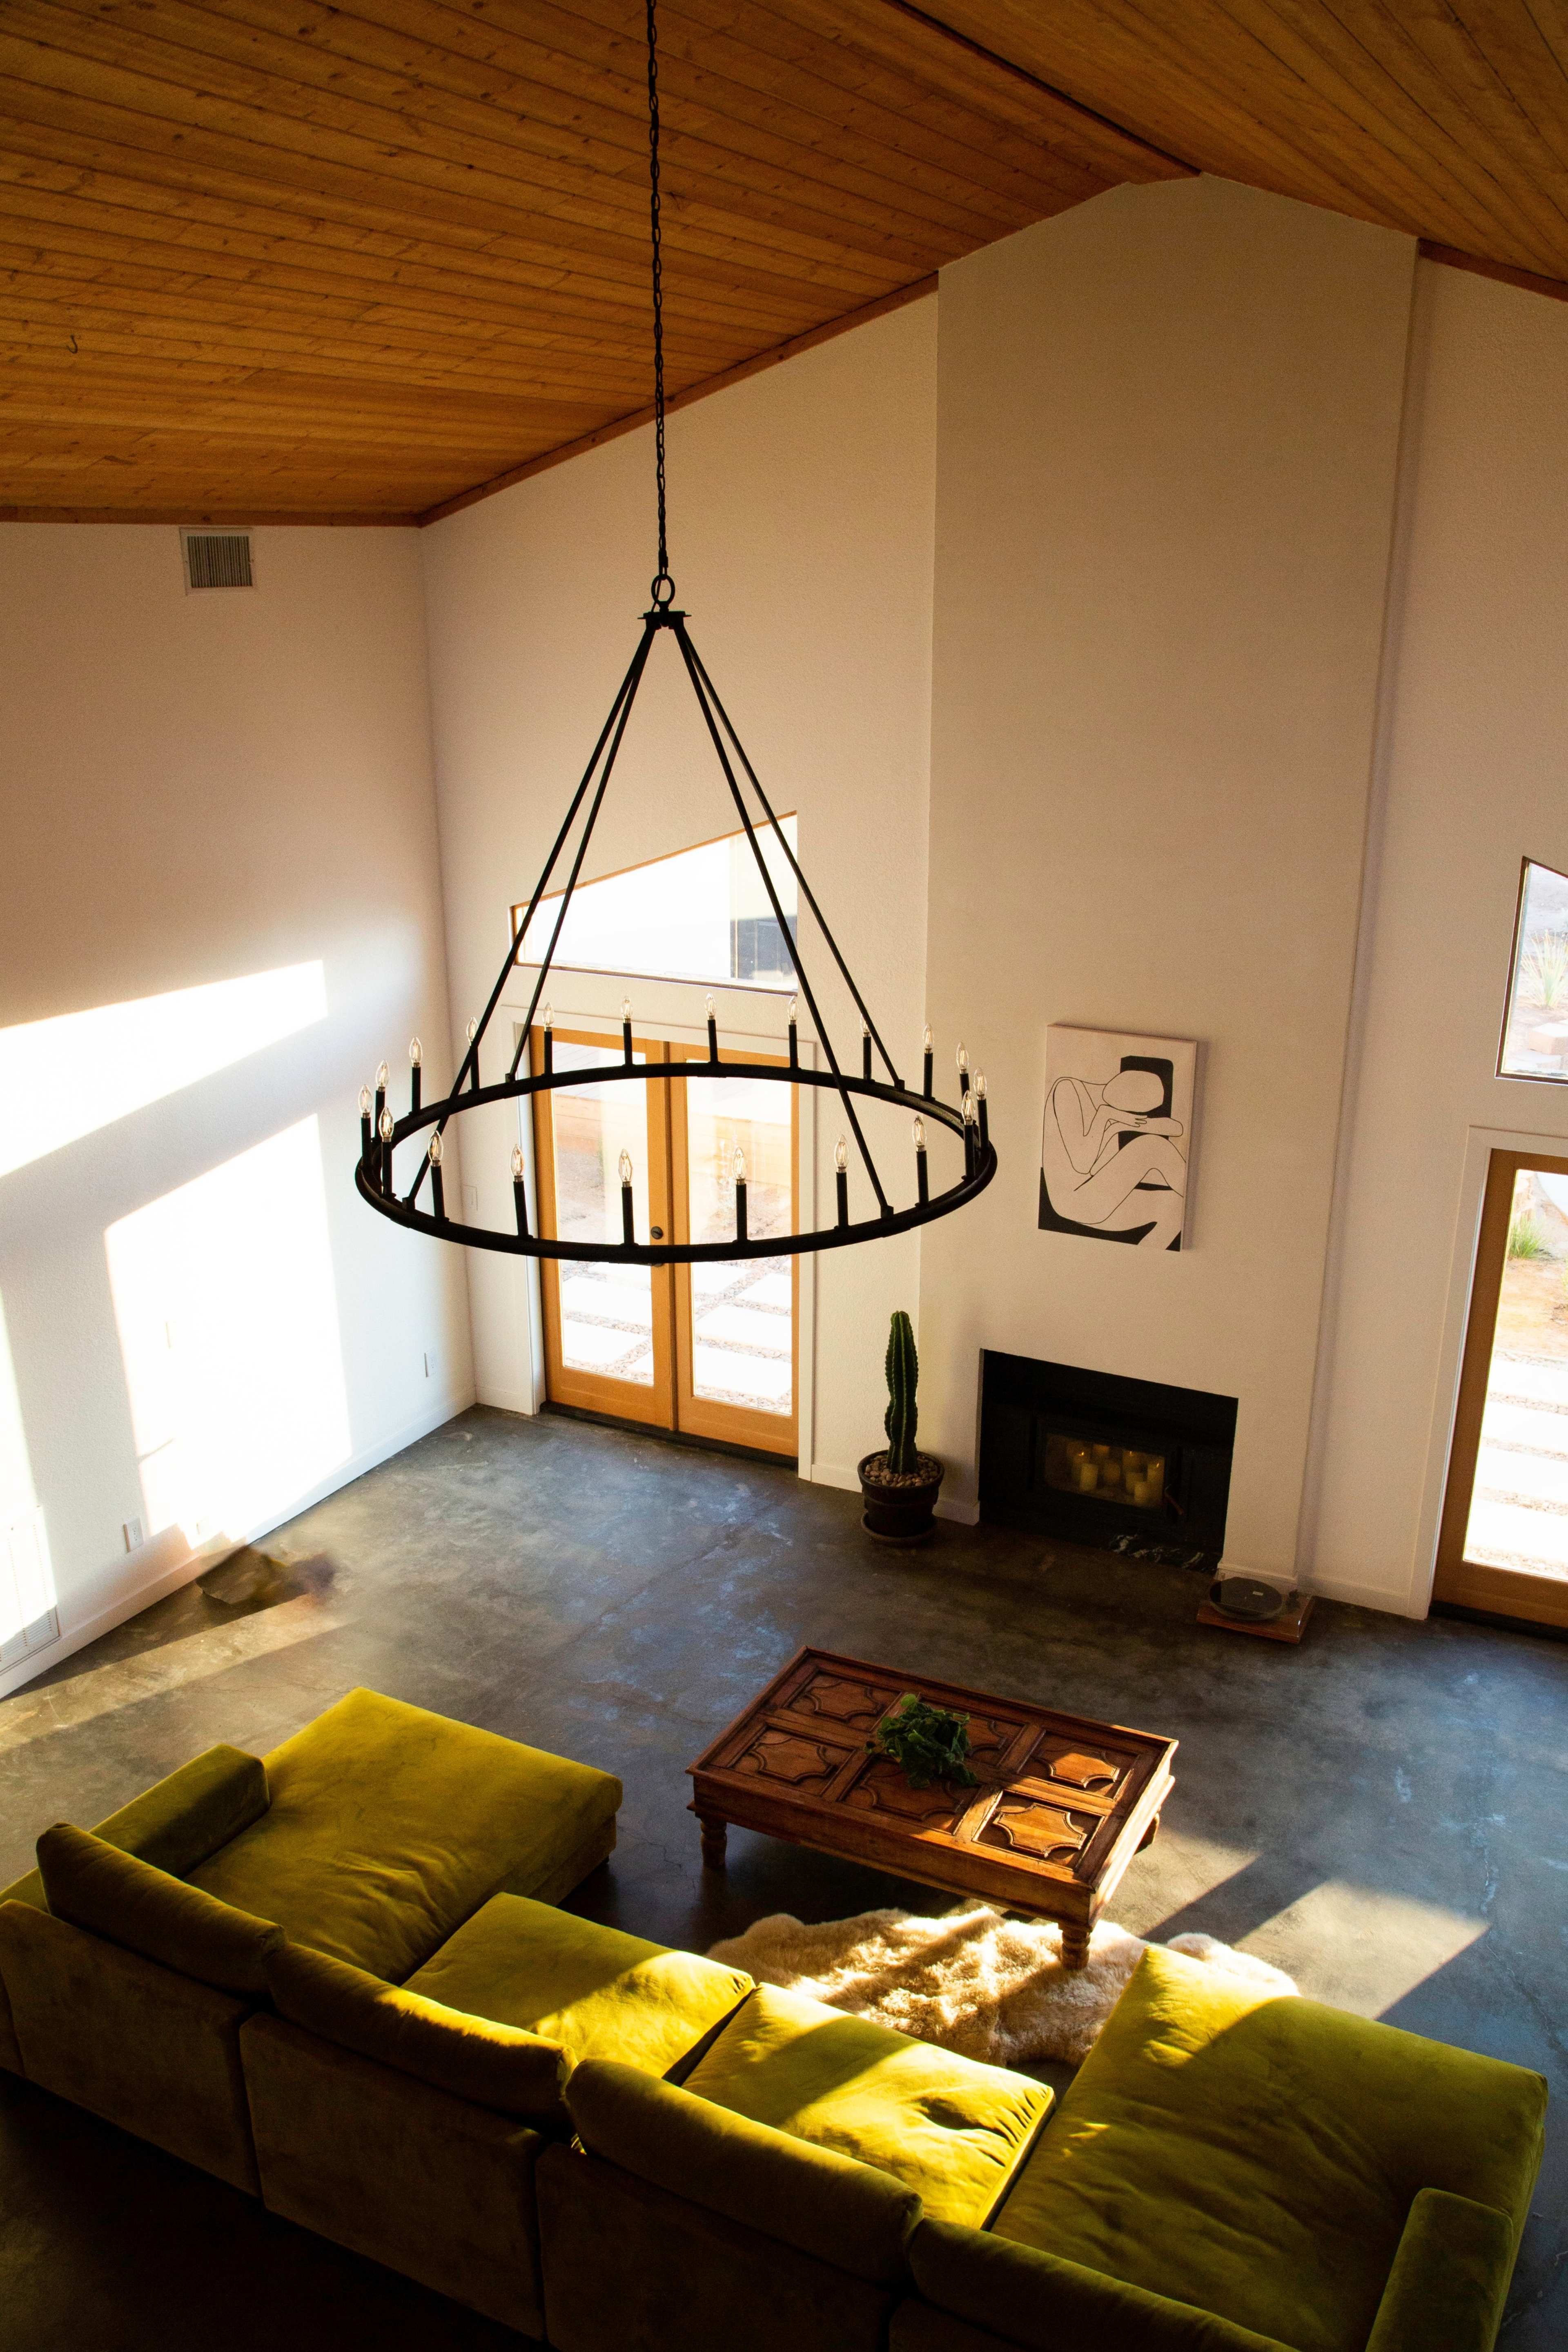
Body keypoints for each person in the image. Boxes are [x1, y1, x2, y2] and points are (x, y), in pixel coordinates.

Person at [1042, 1066, 1186, 1246]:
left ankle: (1140, 1268)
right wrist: (1107, 1116)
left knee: (1175, 1208)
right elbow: (1082, 1164)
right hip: (1074, 1201)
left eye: (1137, 1107)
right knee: (1153, 1146)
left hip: (1094, 1204)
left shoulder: (1113, 1116)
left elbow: (1176, 1128)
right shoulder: (1067, 1089)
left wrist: (1117, 1126)